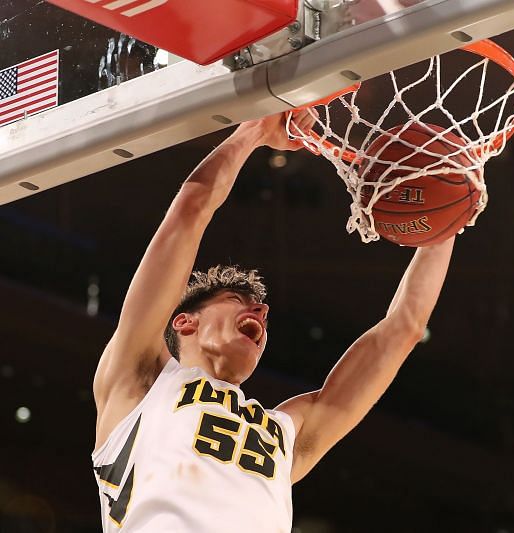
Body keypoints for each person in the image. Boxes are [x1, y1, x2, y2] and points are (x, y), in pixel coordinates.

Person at [90, 111, 455, 532]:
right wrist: (254, 130)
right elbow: (191, 208)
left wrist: (443, 229)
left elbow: (403, 329)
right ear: (184, 323)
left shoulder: (284, 432)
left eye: (262, 311)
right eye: (237, 300)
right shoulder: (142, 380)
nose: (261, 313)